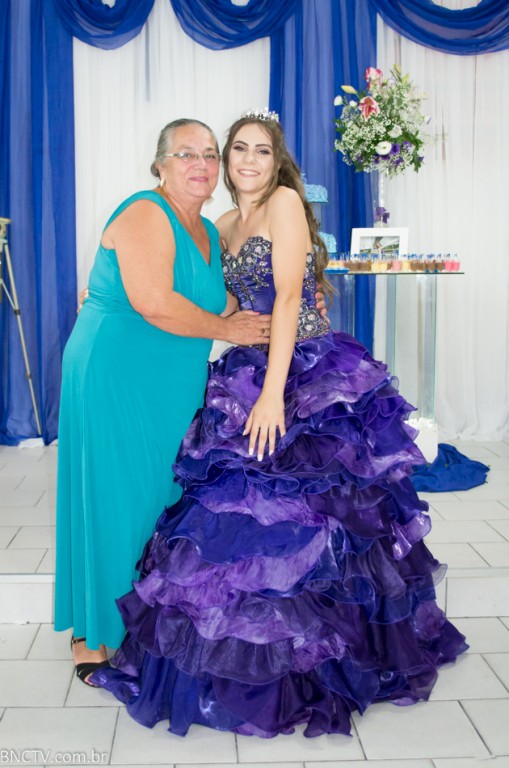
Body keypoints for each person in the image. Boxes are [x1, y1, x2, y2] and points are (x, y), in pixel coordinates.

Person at [91, 112, 467, 736]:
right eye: (237, 148)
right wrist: (118, 303)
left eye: (261, 150)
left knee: (314, 514)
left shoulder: (285, 204)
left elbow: (290, 299)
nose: (247, 159)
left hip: (301, 372)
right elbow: (212, 300)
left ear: (276, 161)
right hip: (246, 369)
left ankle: (321, 658)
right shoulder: (220, 225)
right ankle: (242, 659)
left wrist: (272, 396)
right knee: (235, 513)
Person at [55, 118, 275, 684]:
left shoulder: (207, 231)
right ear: (160, 165)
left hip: (169, 380)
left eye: (209, 154)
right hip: (115, 372)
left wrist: (285, 310)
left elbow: (219, 299)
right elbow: (153, 301)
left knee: (159, 494)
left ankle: (145, 618)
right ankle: (93, 633)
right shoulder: (145, 211)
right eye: (186, 154)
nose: (201, 164)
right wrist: (228, 331)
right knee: (116, 497)